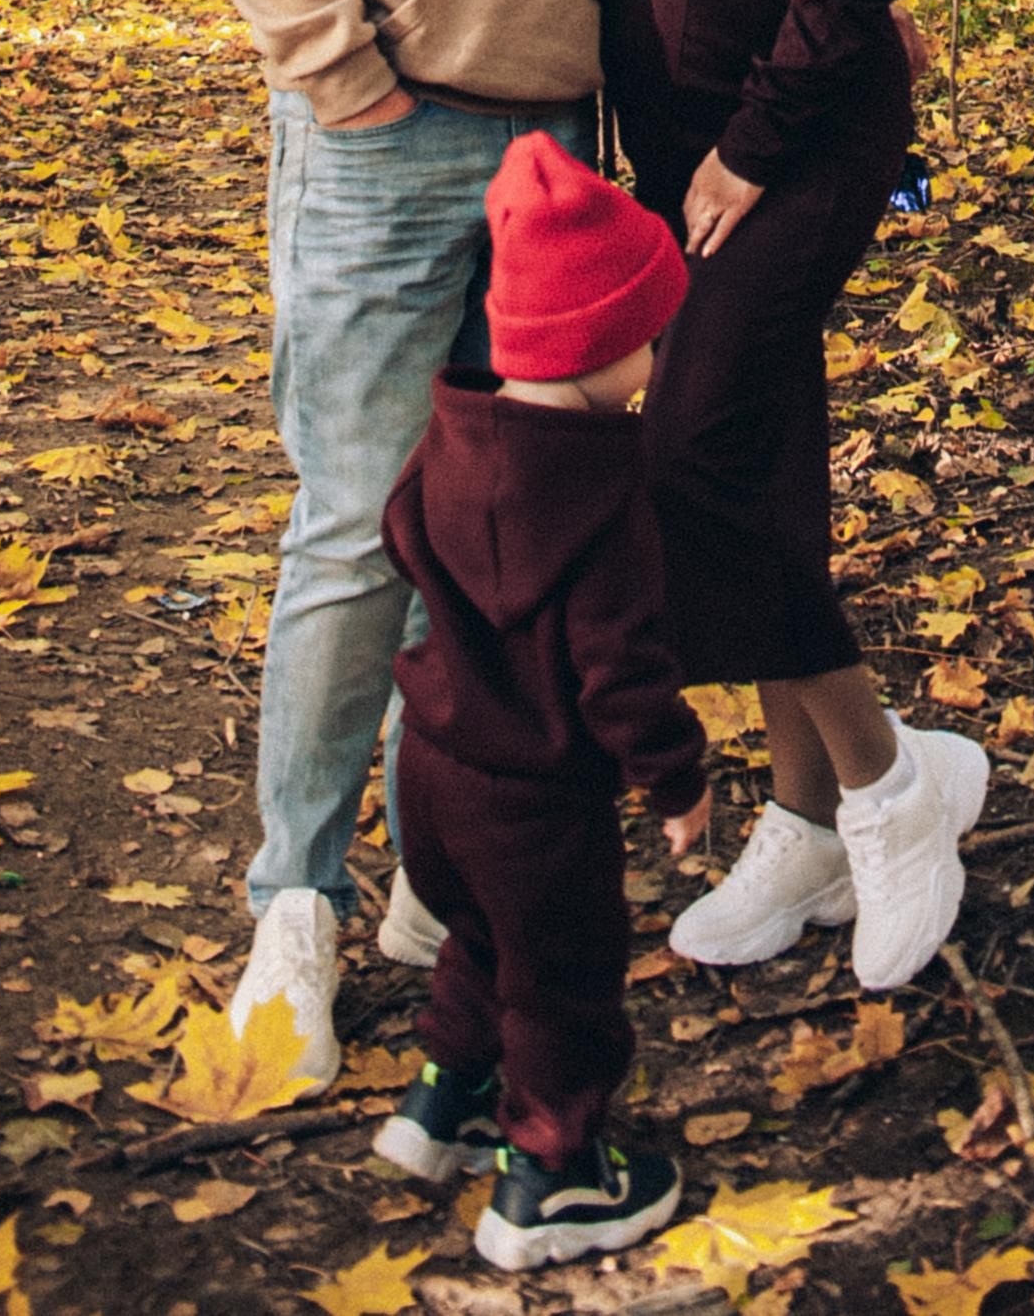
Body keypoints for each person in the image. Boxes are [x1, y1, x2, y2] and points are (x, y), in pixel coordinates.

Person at [201, 0, 678, 1085]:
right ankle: (292, 905)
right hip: (387, 135)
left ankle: (442, 880)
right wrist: (337, 66)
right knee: (354, 522)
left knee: (499, 527)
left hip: (548, 141)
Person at [600, 0, 988, 986]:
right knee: (761, 461)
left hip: (793, 142)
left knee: (691, 456)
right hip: (677, 128)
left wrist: (750, 148)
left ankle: (896, 785)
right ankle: (804, 816)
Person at [374, 130, 708, 1272]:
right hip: (533, 796)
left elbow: (398, 538)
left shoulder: (452, 430)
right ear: (599, 342)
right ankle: (553, 1171)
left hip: (431, 764)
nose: (655, 359)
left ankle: (442, 1100)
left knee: (476, 937)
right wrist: (674, 776)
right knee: (559, 978)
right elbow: (620, 667)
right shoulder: (602, 500)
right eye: (646, 337)